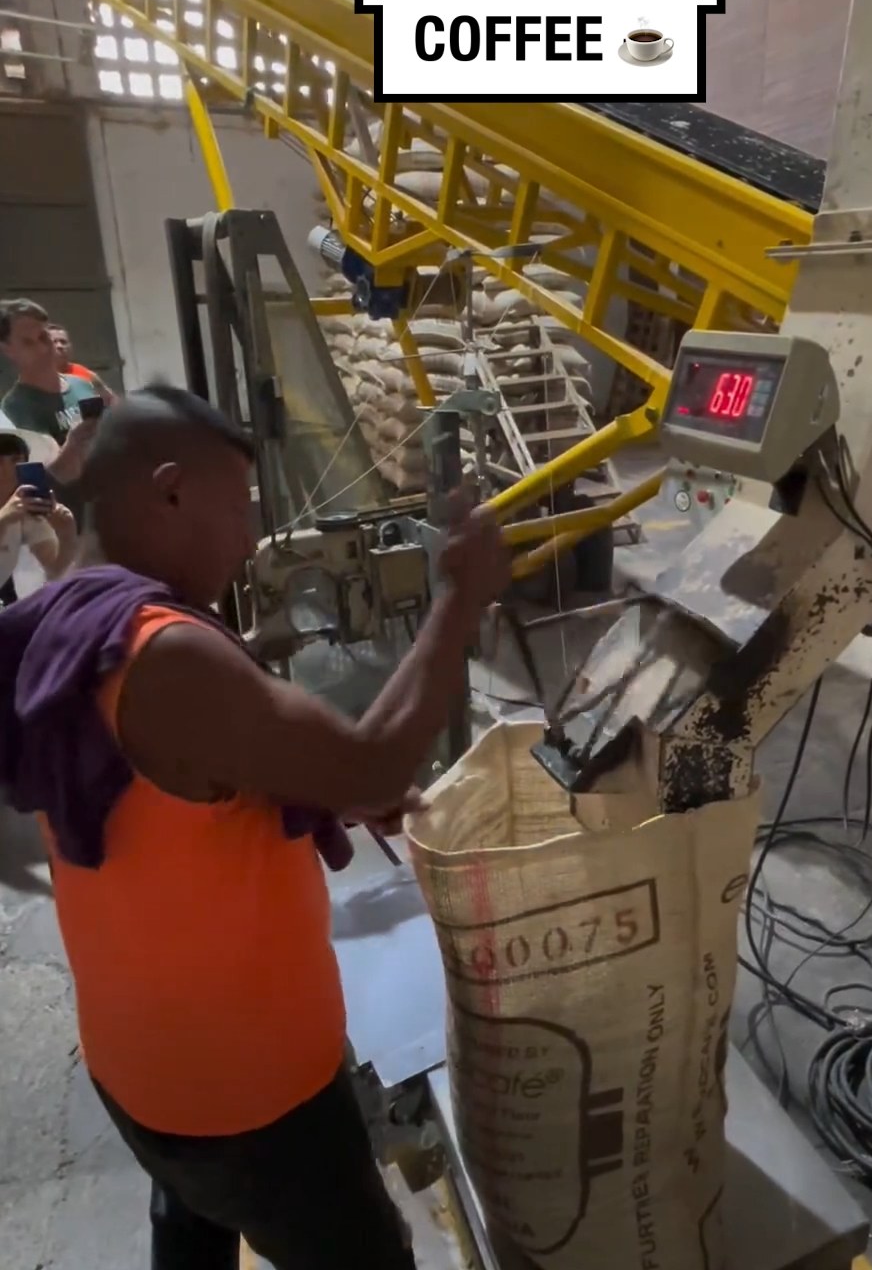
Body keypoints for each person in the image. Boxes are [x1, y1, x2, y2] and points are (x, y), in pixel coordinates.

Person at [0, 383, 509, 1270]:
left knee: (191, 1221)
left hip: (142, 1063)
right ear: (169, 490)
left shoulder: (67, 610)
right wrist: (457, 601)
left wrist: (331, 773)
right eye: (240, 509)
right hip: (252, 1105)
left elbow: (259, 778)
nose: (248, 541)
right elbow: (375, 766)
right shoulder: (168, 655)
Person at [0, 300, 99, 485]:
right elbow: (41, 481)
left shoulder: (81, 384)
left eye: (44, 337)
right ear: (8, 350)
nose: (43, 348)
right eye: (28, 342)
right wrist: (73, 446)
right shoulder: (16, 407)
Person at [0, 431, 77, 604]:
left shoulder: (25, 510)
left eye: (14, 460)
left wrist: (67, 536)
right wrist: (4, 519)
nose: (6, 470)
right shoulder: (12, 512)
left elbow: (55, 570)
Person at [48, 322, 117, 405]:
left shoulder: (85, 374)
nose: (60, 346)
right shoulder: (36, 378)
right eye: (54, 342)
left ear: (71, 347)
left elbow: (112, 401)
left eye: (63, 342)